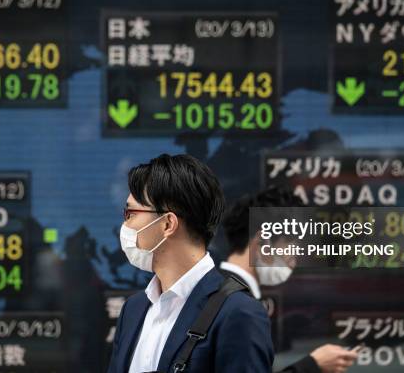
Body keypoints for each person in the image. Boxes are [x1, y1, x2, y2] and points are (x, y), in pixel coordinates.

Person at [107, 153, 274, 373]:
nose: (125, 225)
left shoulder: (238, 313)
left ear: (168, 224)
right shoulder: (134, 309)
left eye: (131, 213)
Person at [220, 186, 358, 373]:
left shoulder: (214, 290)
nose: (293, 262)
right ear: (263, 241)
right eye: (292, 249)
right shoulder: (241, 307)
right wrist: (313, 365)